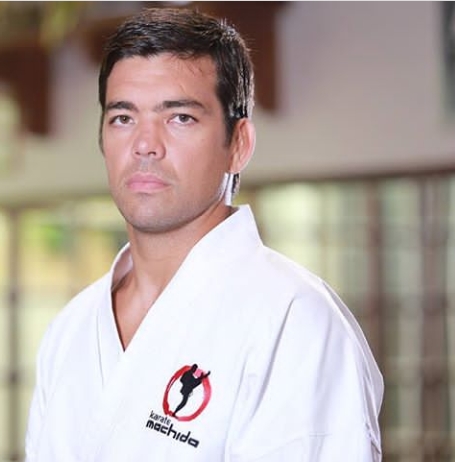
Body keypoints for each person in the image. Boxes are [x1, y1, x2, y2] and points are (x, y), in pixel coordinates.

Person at [25, 7, 383, 462]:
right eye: (123, 118)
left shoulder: (294, 321)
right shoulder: (71, 329)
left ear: (239, 144)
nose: (145, 145)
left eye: (179, 118)